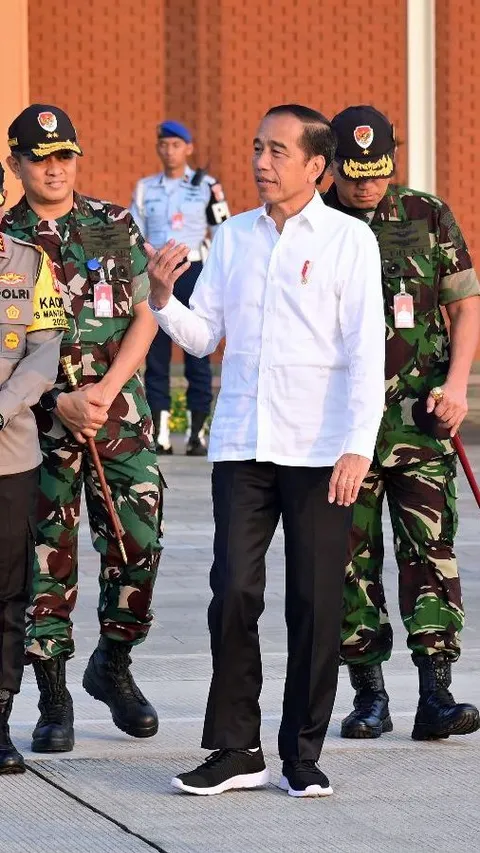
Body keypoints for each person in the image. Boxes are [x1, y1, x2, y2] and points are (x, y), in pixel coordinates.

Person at [147, 104, 386, 797]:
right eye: (257, 147)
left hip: (320, 450)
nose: (261, 162)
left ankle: (302, 752)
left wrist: (357, 447)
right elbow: (203, 335)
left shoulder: (349, 241)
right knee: (233, 593)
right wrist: (163, 298)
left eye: (278, 151)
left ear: (317, 166)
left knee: (313, 603)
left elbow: (365, 353)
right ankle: (235, 748)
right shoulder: (235, 237)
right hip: (242, 444)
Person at [2, 104, 163, 753]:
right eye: (40, 157)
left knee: (138, 542)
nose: (55, 168)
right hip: (33, 424)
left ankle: (114, 662)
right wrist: (61, 399)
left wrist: (105, 389)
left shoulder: (112, 223)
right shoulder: (6, 236)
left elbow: (149, 313)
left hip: (117, 416)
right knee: (44, 560)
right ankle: (54, 693)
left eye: (65, 155)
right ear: (15, 163)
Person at [323, 104, 480, 742]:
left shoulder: (426, 214)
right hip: (340, 429)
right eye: (354, 171)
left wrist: (457, 384)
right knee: (348, 562)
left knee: (429, 553)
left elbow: (464, 305)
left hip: (419, 418)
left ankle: (436, 696)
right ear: (329, 161)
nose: (366, 184)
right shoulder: (313, 224)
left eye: (377, 170)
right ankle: (369, 697)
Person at [0, 161, 68, 772]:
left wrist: (2, 405)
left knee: (7, 594)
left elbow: (45, 350)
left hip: (9, 454)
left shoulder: (27, 263)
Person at [130, 120, 230, 455]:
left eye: (176, 144)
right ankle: (159, 431)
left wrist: (217, 273)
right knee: (155, 355)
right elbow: (136, 234)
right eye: (164, 144)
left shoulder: (207, 185)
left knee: (197, 353)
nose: (169, 150)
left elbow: (222, 230)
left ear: (188, 148)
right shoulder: (146, 188)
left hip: (195, 271)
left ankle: (196, 432)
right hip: (158, 273)